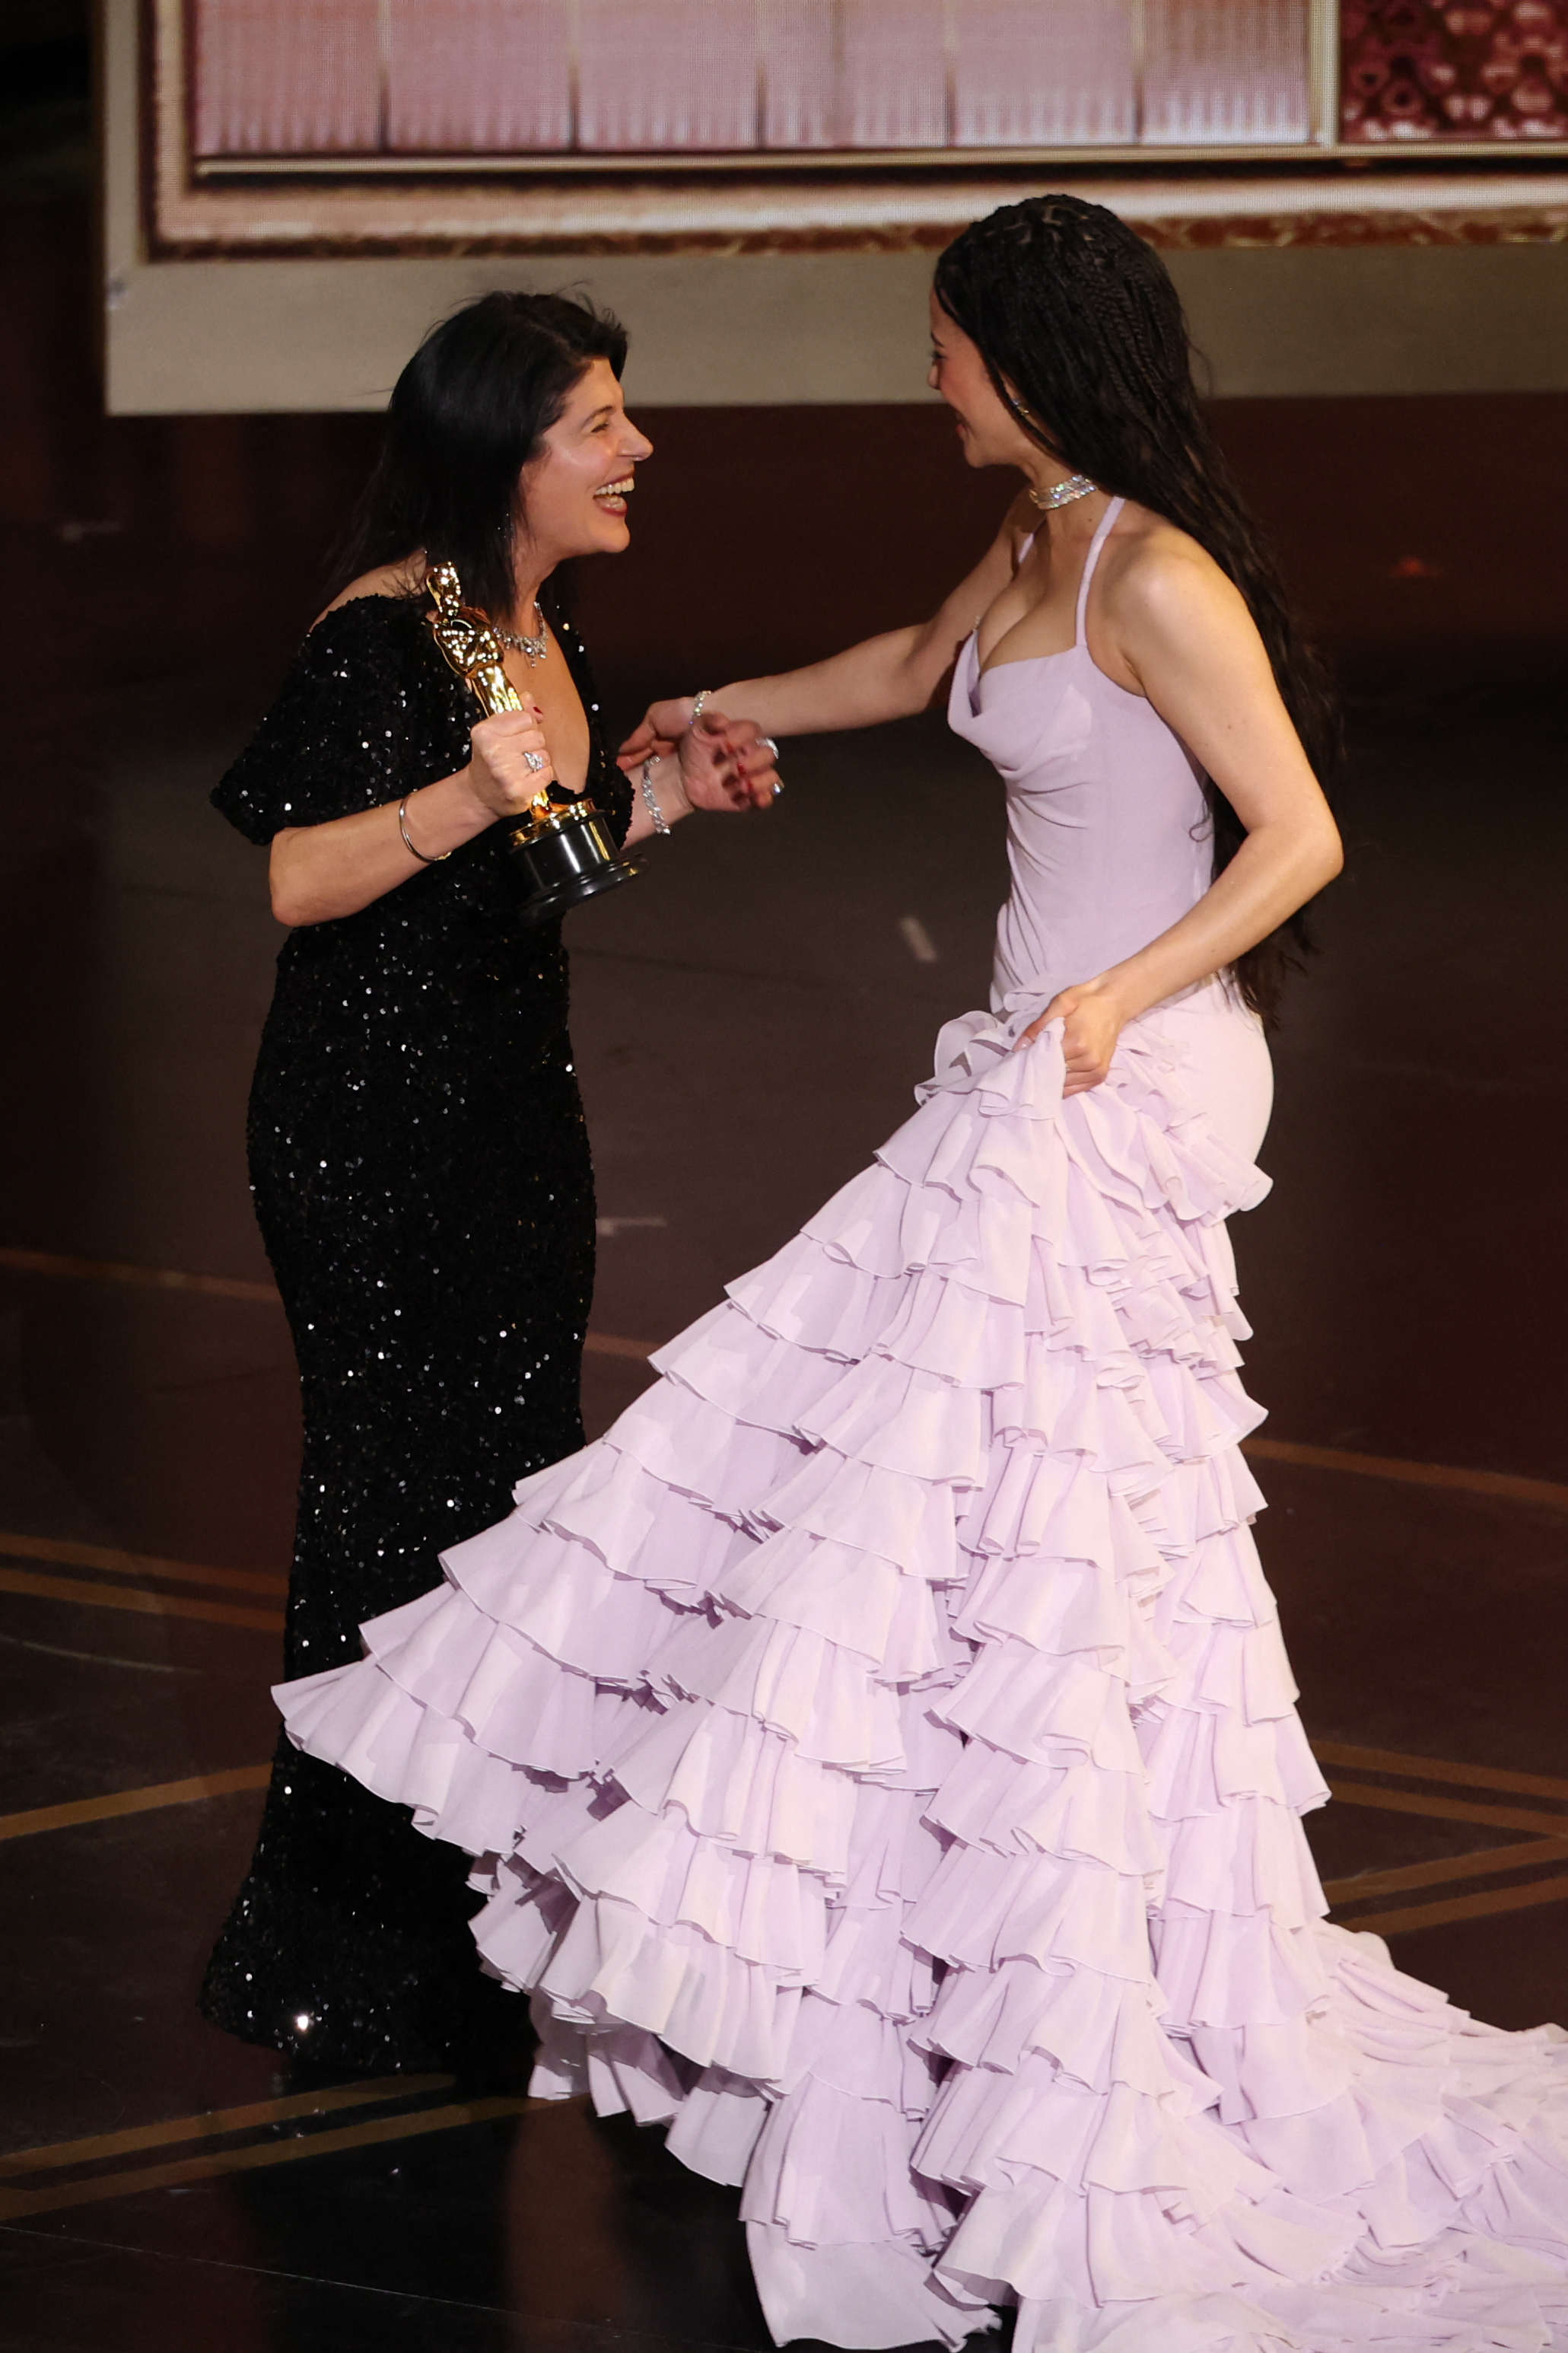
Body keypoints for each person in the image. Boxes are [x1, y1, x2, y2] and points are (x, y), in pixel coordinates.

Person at [276, 199, 1568, 2346]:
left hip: (1115, 1082)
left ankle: (1042, 1973)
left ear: (1032, 355)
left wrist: (1120, 997)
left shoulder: (1150, 567)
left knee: (1001, 1510)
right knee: (932, 1502)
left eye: (948, 345)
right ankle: (933, 1948)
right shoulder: (1036, 538)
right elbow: (901, 670)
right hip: (1031, 1075)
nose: (928, 374)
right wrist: (704, 704)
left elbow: (1299, 834)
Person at [200, 289, 779, 2078]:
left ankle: (452, 1909)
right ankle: (328, 1940)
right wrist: (470, 793)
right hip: (367, 1143)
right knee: (387, 1523)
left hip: (512, 1133)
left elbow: (543, 862)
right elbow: (301, 882)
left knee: (499, 1520)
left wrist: (656, 796)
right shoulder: (386, 636)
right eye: (598, 422)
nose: (636, 450)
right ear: (497, 451)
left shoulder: (532, 625)